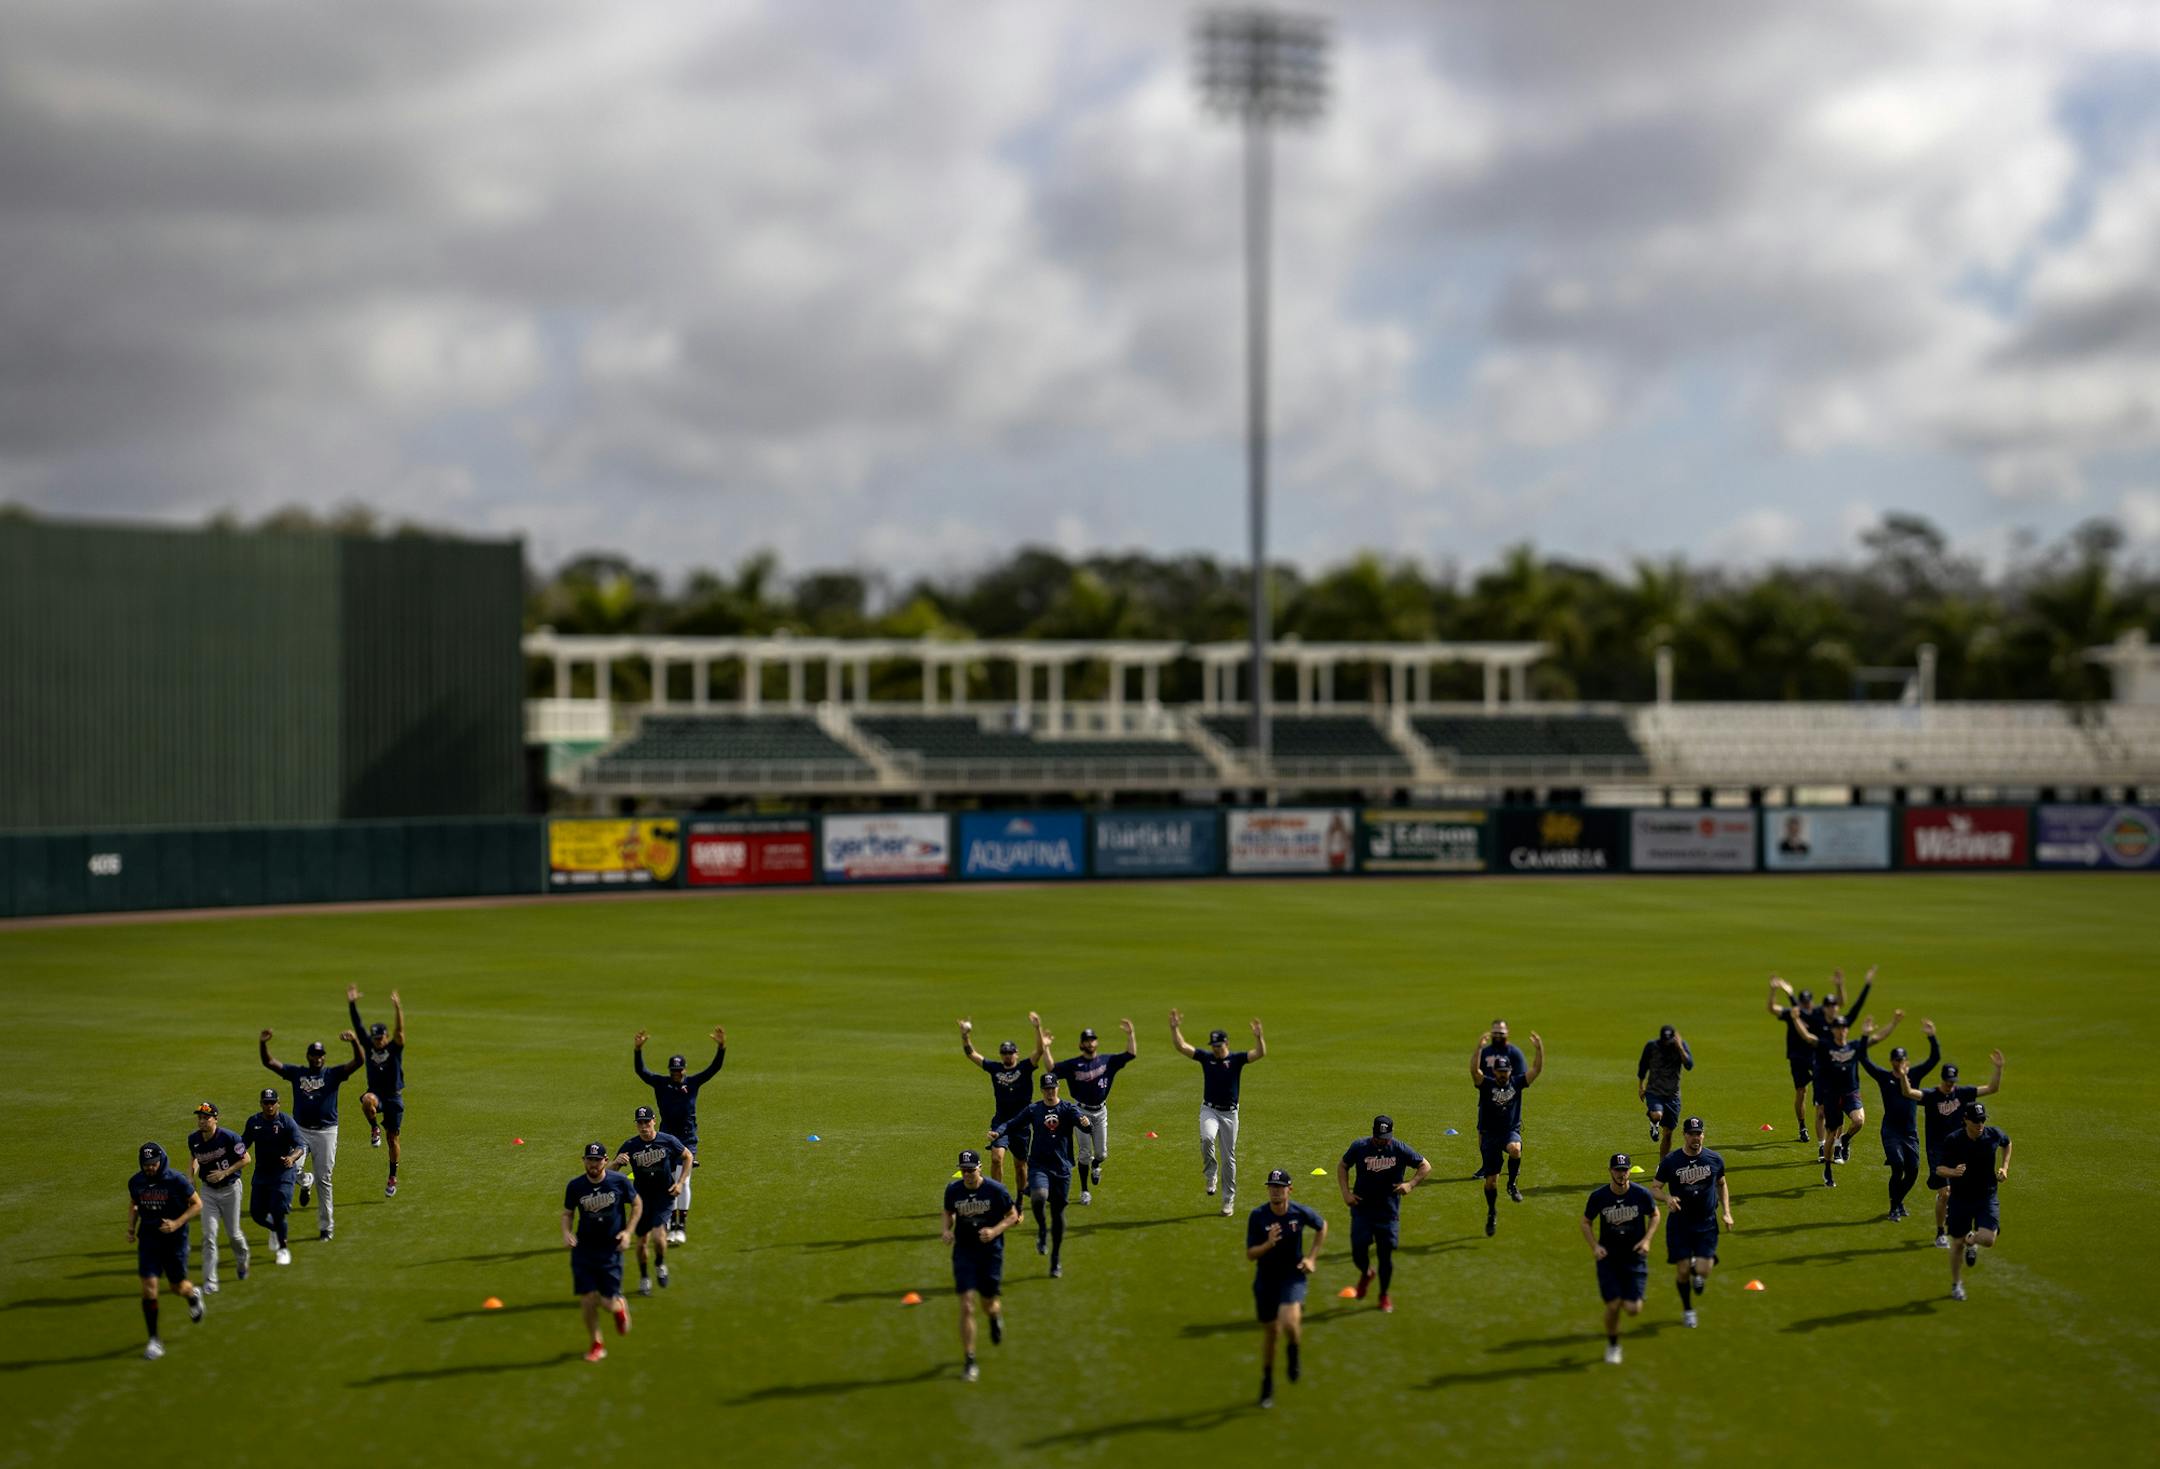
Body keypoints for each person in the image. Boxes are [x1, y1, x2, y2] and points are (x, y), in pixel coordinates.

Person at [258, 1027, 363, 1240]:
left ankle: (326, 1227)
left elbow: (359, 1062)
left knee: (324, 1179)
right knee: (288, 1168)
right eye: (314, 1055)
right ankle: (305, 1180)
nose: (317, 1058)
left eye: (320, 1055)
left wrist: (354, 1041)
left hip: (326, 1132)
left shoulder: (333, 1074)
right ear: (308, 1056)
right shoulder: (298, 1073)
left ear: (324, 1057)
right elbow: (269, 1062)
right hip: (300, 1131)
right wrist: (263, 1043)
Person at [989, 1072, 1093, 1278]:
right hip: (1039, 1165)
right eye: (1046, 1089)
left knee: (1058, 1215)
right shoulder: (1034, 1109)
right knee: (1038, 1198)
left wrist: (1086, 1123)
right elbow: (1012, 1123)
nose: (1049, 1091)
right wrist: (998, 1132)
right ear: (1042, 1090)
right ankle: (1042, 1230)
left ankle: (1055, 1259)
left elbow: (1085, 1126)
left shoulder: (1067, 1108)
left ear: (1057, 1088)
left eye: (1052, 1088)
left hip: (1062, 1168)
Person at [1901, 1046, 2004, 1247]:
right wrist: (1904, 1076)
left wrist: (1998, 1069)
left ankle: (1971, 1231)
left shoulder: (1963, 1094)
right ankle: (1941, 1232)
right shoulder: (1932, 1096)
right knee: (1945, 1192)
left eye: (1953, 1082)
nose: (1950, 1086)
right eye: (1948, 1082)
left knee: (1964, 1192)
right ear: (1942, 1079)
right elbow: (1908, 1092)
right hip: (1938, 1151)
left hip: (1961, 1149)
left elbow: (1991, 1089)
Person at [633, 1026, 725, 1244]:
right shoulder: (661, 1084)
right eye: (674, 1071)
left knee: (683, 1180)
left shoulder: (692, 1083)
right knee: (668, 1180)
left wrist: (721, 1047)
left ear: (684, 1069)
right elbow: (642, 1072)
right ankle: (666, 1221)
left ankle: (679, 1226)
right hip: (665, 1138)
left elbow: (713, 1069)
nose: (677, 1074)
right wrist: (638, 1051)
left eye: (680, 1071)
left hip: (687, 1138)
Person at [1170, 1010, 1266, 1215]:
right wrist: (1174, 1028)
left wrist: (1259, 1038)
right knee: (1206, 1139)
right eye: (1213, 1046)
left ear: (1226, 1043)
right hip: (1209, 1110)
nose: (1215, 1049)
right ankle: (1210, 1174)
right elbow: (1182, 1046)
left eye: (1218, 1046)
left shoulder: (1237, 1059)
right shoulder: (1206, 1058)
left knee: (1229, 1158)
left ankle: (1228, 1200)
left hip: (1230, 1114)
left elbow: (1259, 1054)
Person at [1246, 1167, 1325, 1409]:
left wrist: (1311, 1258)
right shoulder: (1258, 1216)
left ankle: (1293, 1351)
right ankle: (1267, 1380)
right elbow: (1250, 1254)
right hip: (1266, 1279)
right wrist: (1268, 1244)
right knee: (1272, 1333)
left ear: (1289, 1189)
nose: (1275, 1192)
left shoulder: (1299, 1213)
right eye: (1272, 1187)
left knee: (1289, 1323)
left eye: (1280, 1188)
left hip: (1292, 1276)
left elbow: (1322, 1226)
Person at [1793, 1007, 1898, 1185]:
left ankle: (1846, 1139)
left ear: (1847, 1030)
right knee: (1831, 1134)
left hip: (1851, 1092)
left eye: (1844, 1027)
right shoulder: (1827, 1046)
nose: (1841, 1030)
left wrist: (1894, 1022)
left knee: (1859, 1121)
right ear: (1833, 1030)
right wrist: (1796, 1019)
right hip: (1832, 1095)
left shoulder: (1854, 1047)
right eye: (1838, 1027)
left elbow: (1877, 1038)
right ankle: (1827, 1169)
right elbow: (1808, 1038)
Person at [1337, 1115, 1429, 1312]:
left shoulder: (1399, 1148)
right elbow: (1343, 1165)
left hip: (1388, 1211)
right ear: (1373, 1133)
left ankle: (1383, 1294)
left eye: (1385, 1137)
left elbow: (1425, 1165)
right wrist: (1346, 1193)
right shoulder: (1359, 1147)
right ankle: (1366, 1272)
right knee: (1358, 1251)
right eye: (1379, 1137)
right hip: (1362, 1208)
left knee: (1385, 1255)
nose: (1382, 1140)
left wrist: (1410, 1185)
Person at [942, 1148, 1020, 1383]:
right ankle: (970, 1358)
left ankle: (995, 1317)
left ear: (980, 1168)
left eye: (971, 1170)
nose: (967, 1174)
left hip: (990, 1252)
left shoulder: (996, 1191)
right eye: (963, 1170)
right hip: (964, 1251)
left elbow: (1013, 1215)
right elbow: (948, 1211)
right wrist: (946, 1229)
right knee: (967, 1304)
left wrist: (995, 1231)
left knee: (988, 1303)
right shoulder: (954, 1190)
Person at [1648, 1118, 1732, 1328]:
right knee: (1682, 1270)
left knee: (1704, 1270)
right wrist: (1667, 1198)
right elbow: (1655, 1187)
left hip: (1706, 1222)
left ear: (1703, 1134)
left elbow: (1722, 1184)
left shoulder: (1714, 1159)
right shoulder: (1671, 1161)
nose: (1696, 1137)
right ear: (1684, 1135)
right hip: (1680, 1224)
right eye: (1692, 1133)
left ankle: (1699, 1269)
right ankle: (1688, 1309)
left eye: (1699, 1133)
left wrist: (1727, 1212)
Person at [562, 1141, 641, 1362]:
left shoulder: (619, 1182)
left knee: (607, 1303)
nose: (593, 1164)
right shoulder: (576, 1186)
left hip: (610, 1250)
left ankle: (619, 1307)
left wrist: (628, 1232)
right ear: (584, 1161)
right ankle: (596, 1343)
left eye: (597, 1160)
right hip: (584, 1250)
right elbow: (567, 1213)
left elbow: (637, 1204)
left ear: (605, 1161)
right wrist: (567, 1232)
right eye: (590, 1160)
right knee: (587, 1299)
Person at [1580, 1152, 1661, 1365]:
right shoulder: (1599, 1197)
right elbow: (1585, 1222)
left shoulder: (1641, 1195)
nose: (1621, 1174)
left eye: (1624, 1170)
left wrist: (1647, 1240)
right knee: (1614, 1305)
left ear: (1629, 1171)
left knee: (1633, 1310)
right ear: (1610, 1171)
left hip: (1634, 1258)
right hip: (1608, 1258)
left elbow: (1655, 1215)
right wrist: (1595, 1246)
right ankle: (1613, 1344)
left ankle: (1627, 1297)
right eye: (1617, 1170)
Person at [129, 1142, 205, 1360]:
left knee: (177, 1286)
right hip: (149, 1240)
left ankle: (193, 1295)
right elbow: (134, 1204)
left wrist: (176, 1223)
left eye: (153, 1164)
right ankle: (154, 1339)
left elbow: (197, 1204)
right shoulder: (136, 1182)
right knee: (149, 1287)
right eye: (146, 1165)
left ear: (161, 1160)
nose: (150, 1168)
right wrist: (130, 1228)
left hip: (175, 1241)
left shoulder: (176, 1180)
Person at [1049, 1018, 1137, 1204]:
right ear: (1081, 1044)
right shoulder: (1073, 1065)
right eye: (1087, 1040)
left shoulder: (1108, 1061)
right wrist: (1046, 1047)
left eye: (1093, 1040)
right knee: (1084, 1153)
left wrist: (1130, 1034)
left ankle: (1096, 1166)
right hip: (1080, 1112)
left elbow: (1130, 1054)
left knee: (1101, 1154)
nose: (1090, 1043)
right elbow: (1051, 1069)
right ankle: (1084, 1191)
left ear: (1096, 1042)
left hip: (1101, 1112)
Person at [1859, 1017, 1939, 1220]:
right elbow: (1863, 1058)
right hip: (1891, 1131)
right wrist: (1865, 1035)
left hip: (1910, 1132)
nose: (1899, 1063)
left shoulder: (1915, 1075)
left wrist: (1932, 1037)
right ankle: (1894, 1207)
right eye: (1896, 1060)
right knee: (1897, 1166)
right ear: (1891, 1061)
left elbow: (1934, 1059)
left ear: (1907, 1062)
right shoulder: (1884, 1077)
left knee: (1912, 1171)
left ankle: (1898, 1201)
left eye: (1902, 1060)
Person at [959, 1017, 1049, 1189]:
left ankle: (1020, 1202)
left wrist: (1037, 1027)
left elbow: (1039, 1051)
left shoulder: (1024, 1067)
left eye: (1010, 1052)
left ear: (1017, 1053)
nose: (1007, 1056)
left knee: (1020, 1166)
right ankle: (998, 1196)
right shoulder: (995, 1068)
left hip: (1021, 1123)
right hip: (1000, 1121)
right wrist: (965, 1036)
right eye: (1004, 1053)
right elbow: (971, 1054)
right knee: (996, 1158)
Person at [1936, 1101, 2012, 1301]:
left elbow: (2007, 1143)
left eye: (1982, 1120)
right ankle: (1956, 1284)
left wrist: (2005, 1167)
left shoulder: (1993, 1135)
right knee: (1957, 1245)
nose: (1980, 1124)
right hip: (1960, 1199)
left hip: (1986, 1196)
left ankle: (1972, 1240)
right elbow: (1939, 1169)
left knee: (1987, 1239)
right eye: (1976, 1121)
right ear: (1965, 1120)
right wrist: (1953, 1172)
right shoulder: (1954, 1140)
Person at [614, 1107, 692, 1297]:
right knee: (641, 1244)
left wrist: (681, 1182)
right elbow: (608, 1174)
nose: (643, 1126)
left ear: (654, 1121)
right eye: (639, 1123)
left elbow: (688, 1156)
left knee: (658, 1238)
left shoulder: (667, 1140)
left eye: (646, 1122)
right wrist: (615, 1161)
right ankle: (644, 1277)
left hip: (663, 1196)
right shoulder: (630, 1145)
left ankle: (659, 1263)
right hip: (640, 1200)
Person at [1473, 1029, 1544, 1235]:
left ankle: (1512, 1184)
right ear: (1494, 1072)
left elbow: (1536, 1070)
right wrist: (1478, 1048)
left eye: (1505, 1072)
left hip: (1509, 1132)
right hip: (1489, 1136)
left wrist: (1539, 1049)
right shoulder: (1486, 1085)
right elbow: (1474, 1071)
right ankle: (1492, 1212)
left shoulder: (1517, 1083)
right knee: (1490, 1182)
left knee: (1515, 1149)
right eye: (1499, 1072)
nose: (1503, 1075)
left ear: (1510, 1071)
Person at [347, 986, 406, 1197]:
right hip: (377, 1094)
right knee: (367, 1101)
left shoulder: (393, 1048)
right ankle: (374, 1128)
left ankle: (392, 1176)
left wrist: (398, 1008)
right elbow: (358, 1026)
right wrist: (352, 1004)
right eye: (375, 1038)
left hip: (394, 1097)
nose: (378, 1041)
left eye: (381, 1038)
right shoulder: (370, 1046)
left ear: (386, 1037)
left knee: (393, 1140)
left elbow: (400, 1033)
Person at [185, 1102, 249, 1291]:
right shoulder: (194, 1139)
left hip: (231, 1189)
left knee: (233, 1234)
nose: (202, 1121)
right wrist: (190, 1176)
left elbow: (246, 1159)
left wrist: (224, 1173)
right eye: (200, 1118)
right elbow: (194, 1157)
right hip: (208, 1192)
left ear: (215, 1119)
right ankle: (210, 1280)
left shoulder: (229, 1137)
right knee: (209, 1236)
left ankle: (242, 1260)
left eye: (206, 1118)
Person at [240, 1087, 304, 1265]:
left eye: (272, 1103)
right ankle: (276, 1228)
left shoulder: (286, 1122)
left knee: (278, 1209)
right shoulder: (254, 1122)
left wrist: (291, 1158)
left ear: (278, 1103)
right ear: (261, 1104)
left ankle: (283, 1249)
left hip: (283, 1171)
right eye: (266, 1103)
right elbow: (243, 1143)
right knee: (257, 1214)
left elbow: (300, 1146)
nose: (269, 1106)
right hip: (262, 1172)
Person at [1636, 1025, 1693, 1158]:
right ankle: (1653, 1120)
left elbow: (1689, 1065)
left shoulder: (1680, 1046)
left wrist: (1679, 1047)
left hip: (1673, 1096)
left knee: (1667, 1134)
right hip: (1654, 1091)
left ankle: (1662, 1166)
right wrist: (1641, 1086)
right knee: (1656, 1115)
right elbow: (1643, 1066)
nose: (1666, 1044)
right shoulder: (1652, 1046)